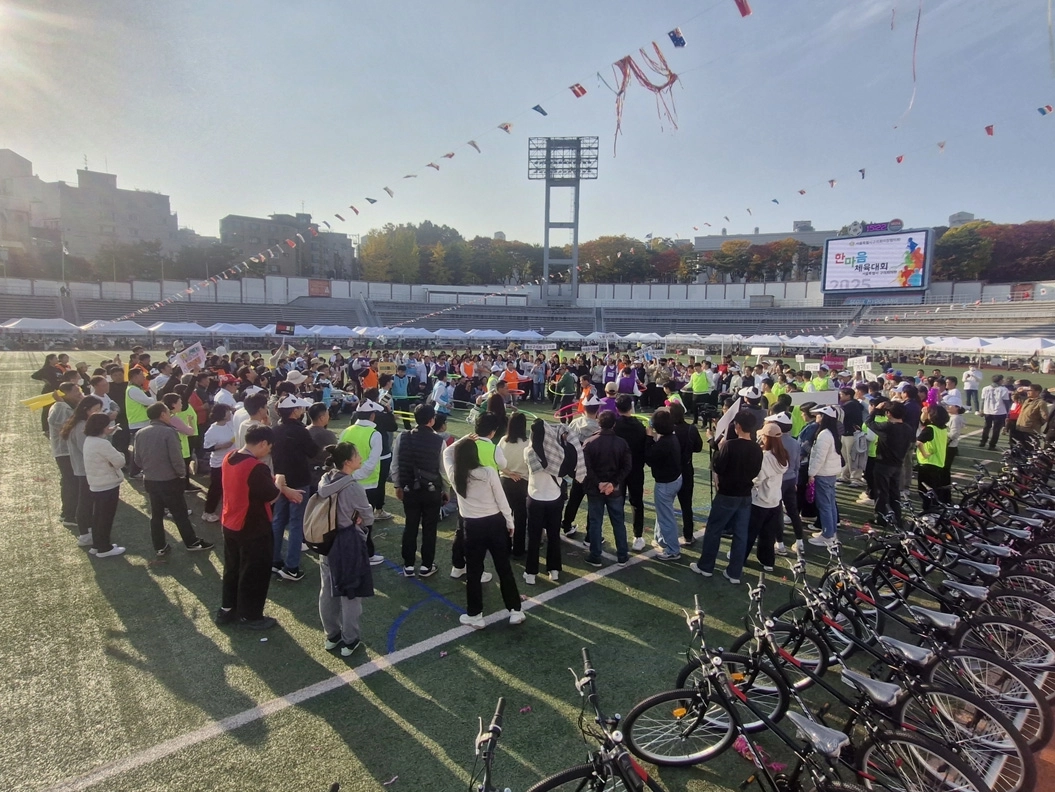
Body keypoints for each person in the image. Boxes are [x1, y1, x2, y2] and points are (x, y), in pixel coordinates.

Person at [443, 436, 525, 629]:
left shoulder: (455, 473)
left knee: (474, 571)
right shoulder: (488, 472)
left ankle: (475, 615)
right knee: (503, 567)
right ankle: (515, 610)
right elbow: (501, 499)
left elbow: (446, 453)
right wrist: (509, 521)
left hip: (472, 527)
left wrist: (462, 440)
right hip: (495, 523)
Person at [215, 425, 282, 630]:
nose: (268, 451)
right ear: (262, 443)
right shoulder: (256, 467)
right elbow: (272, 494)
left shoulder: (229, 457)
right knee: (255, 571)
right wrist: (279, 481)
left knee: (233, 568)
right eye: (268, 447)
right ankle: (251, 615)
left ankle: (228, 608)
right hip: (252, 526)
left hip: (230, 522)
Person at [317, 442, 375, 657]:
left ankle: (332, 635)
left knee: (328, 588)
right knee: (350, 591)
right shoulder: (352, 486)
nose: (360, 457)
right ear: (348, 462)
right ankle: (350, 640)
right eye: (357, 454)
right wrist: (359, 521)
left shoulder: (325, 480)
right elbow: (367, 516)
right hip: (347, 542)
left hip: (326, 540)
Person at [133, 402, 214, 556]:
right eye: (167, 412)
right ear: (162, 414)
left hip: (150, 480)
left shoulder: (140, 433)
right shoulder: (168, 432)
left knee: (156, 515)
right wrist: (181, 474)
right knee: (180, 513)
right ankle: (192, 542)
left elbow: (137, 460)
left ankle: (159, 546)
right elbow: (176, 459)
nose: (170, 415)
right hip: (169, 480)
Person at [691, 412, 763, 583]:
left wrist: (719, 446)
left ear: (737, 426)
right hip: (745, 495)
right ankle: (734, 572)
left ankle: (706, 566)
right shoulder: (756, 448)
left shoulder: (730, 445)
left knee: (714, 529)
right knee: (740, 534)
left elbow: (718, 466)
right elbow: (755, 471)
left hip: (727, 494)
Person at [393, 403, 446, 577]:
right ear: (432, 420)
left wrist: (397, 485)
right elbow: (443, 470)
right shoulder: (439, 440)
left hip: (409, 488)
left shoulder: (403, 437)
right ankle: (426, 565)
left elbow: (396, 465)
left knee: (410, 525)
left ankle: (408, 565)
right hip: (431, 491)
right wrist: (446, 490)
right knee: (430, 528)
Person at [270, 394, 319, 581]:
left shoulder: (275, 430)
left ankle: (275, 560)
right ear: (294, 411)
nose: (302, 410)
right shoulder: (300, 431)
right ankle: (291, 567)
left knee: (279, 519)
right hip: (299, 480)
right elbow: (313, 451)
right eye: (299, 408)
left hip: (280, 480)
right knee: (297, 523)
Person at [338, 399, 386, 566]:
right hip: (368, 484)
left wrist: (349, 475)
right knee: (365, 521)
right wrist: (356, 475)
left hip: (347, 483)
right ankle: (367, 554)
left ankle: (352, 553)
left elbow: (340, 457)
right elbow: (371, 463)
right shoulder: (375, 434)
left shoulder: (346, 431)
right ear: (372, 416)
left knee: (349, 519)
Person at [581, 410, 632, 567]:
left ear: (598, 422)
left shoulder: (589, 443)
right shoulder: (621, 443)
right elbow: (627, 466)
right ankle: (622, 555)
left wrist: (599, 483)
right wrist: (613, 483)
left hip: (596, 489)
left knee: (595, 522)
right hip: (614, 489)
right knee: (618, 521)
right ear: (614, 424)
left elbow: (586, 468)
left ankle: (595, 555)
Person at [523, 419, 568, 584]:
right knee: (554, 535)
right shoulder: (558, 451)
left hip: (535, 497)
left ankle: (530, 573)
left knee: (534, 537)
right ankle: (554, 570)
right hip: (554, 498)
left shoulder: (528, 451)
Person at [741, 422, 789, 573]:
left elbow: (758, 478)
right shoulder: (782, 454)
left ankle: (741, 557)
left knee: (750, 532)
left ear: (766, 437)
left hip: (760, 500)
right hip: (774, 500)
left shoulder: (767, 457)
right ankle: (767, 561)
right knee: (768, 534)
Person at [61, 395, 104, 547]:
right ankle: (85, 534)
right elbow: (87, 449)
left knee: (87, 501)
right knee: (85, 501)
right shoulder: (81, 427)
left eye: (100, 409)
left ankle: (88, 531)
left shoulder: (80, 424)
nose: (99, 413)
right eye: (96, 410)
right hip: (85, 469)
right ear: (86, 410)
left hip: (85, 468)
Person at [82, 413, 126, 558]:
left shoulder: (89, 440)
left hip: (96, 484)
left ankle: (97, 545)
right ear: (102, 427)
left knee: (98, 517)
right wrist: (119, 455)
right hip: (107, 484)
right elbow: (119, 462)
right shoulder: (102, 443)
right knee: (106, 517)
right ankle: (104, 548)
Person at [866, 401, 914, 529]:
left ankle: (881, 518)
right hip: (898, 464)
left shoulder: (887, 427)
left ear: (888, 413)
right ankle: (897, 519)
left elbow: (869, 423)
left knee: (881, 492)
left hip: (883, 464)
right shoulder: (908, 428)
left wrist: (875, 410)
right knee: (894, 492)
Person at [645, 407, 683, 561]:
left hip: (666, 483)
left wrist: (648, 438)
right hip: (675, 479)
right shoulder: (671, 437)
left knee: (666, 517)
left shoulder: (663, 443)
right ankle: (661, 539)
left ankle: (673, 549)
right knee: (663, 513)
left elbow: (649, 458)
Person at [613, 395, 648, 551]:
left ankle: (620, 537)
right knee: (636, 503)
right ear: (631, 407)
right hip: (635, 469)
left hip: (618, 471)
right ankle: (638, 536)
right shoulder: (640, 427)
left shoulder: (614, 426)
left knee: (617, 503)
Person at [49, 383, 84, 529]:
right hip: (64, 452)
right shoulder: (59, 407)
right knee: (71, 482)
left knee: (70, 482)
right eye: (76, 391)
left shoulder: (66, 405)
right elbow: (66, 425)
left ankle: (67, 513)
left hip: (69, 451)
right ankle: (70, 515)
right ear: (66, 393)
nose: (79, 394)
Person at [668, 402, 703, 548]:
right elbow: (699, 447)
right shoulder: (691, 429)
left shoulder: (668, 430)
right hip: (686, 469)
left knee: (666, 506)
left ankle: (666, 536)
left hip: (670, 471)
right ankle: (688, 535)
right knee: (686, 505)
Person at [807, 405, 843, 547]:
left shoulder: (824, 435)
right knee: (830, 503)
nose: (817, 416)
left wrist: (811, 473)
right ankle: (830, 532)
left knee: (825, 505)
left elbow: (819, 457)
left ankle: (828, 535)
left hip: (823, 473)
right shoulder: (832, 433)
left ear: (824, 417)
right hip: (830, 473)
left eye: (819, 415)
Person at [498, 412, 529, 557]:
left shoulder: (503, 441)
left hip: (505, 481)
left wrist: (509, 472)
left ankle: (504, 546)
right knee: (521, 517)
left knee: (506, 515)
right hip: (523, 483)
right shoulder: (528, 443)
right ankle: (518, 549)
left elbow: (496, 461)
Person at [202, 404, 235, 522]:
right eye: (227, 412)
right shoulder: (212, 430)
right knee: (216, 488)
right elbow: (206, 447)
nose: (230, 414)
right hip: (218, 463)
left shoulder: (229, 424)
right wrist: (222, 446)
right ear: (221, 414)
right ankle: (208, 511)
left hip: (231, 461)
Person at [916, 403, 949, 509]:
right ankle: (934, 510)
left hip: (927, 464)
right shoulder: (942, 428)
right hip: (938, 463)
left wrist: (924, 454)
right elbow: (923, 421)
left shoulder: (930, 429)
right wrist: (924, 412)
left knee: (925, 492)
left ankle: (928, 512)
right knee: (934, 491)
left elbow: (919, 442)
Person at [836, 388, 866, 486]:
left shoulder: (851, 404)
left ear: (848, 396)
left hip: (852, 434)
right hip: (846, 433)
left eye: (842, 394)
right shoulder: (851, 404)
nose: (840, 396)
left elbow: (839, 413)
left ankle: (856, 479)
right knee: (846, 457)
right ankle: (845, 475)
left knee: (853, 457)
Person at [980, 375, 1010, 451]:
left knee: (987, 427)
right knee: (996, 429)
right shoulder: (1003, 389)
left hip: (988, 410)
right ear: (1000, 380)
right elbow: (1006, 401)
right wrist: (1008, 411)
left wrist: (981, 409)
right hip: (999, 411)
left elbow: (982, 400)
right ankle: (992, 445)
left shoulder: (985, 388)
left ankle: (983, 441)